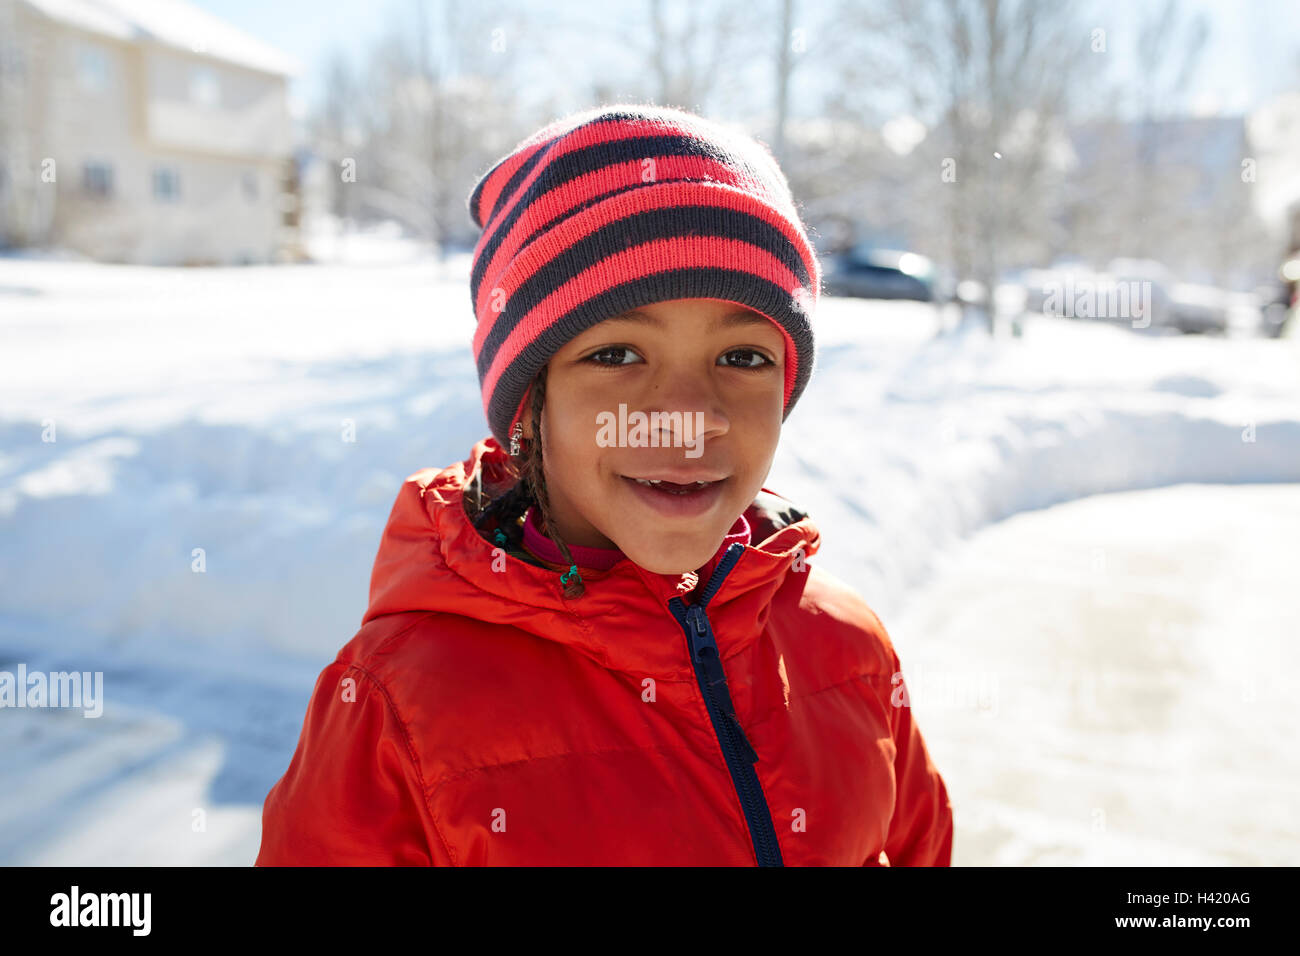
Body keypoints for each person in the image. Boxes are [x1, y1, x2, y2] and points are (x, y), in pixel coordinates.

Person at [254, 104, 953, 866]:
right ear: (531, 404)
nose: (688, 418)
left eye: (743, 357)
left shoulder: (848, 647)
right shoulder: (397, 707)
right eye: (618, 354)